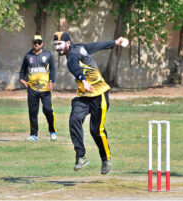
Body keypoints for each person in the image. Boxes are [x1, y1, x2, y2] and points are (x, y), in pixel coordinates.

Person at [52, 32, 128, 174]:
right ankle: (80, 156)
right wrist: (115, 42)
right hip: (84, 95)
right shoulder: (80, 48)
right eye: (55, 45)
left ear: (68, 43)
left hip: (99, 94)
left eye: (60, 44)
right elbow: (97, 46)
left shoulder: (72, 56)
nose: (57, 48)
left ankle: (106, 159)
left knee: (96, 130)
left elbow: (76, 67)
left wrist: (84, 81)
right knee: (74, 120)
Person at [20, 35, 57, 141]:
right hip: (32, 88)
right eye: (35, 42)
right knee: (33, 111)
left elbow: (53, 69)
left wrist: (52, 81)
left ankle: (52, 131)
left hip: (45, 89)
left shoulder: (47, 54)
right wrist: (22, 79)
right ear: (32, 43)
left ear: (42, 43)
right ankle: (33, 135)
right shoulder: (28, 55)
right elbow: (23, 70)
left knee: (48, 109)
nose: (37, 44)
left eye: (39, 42)